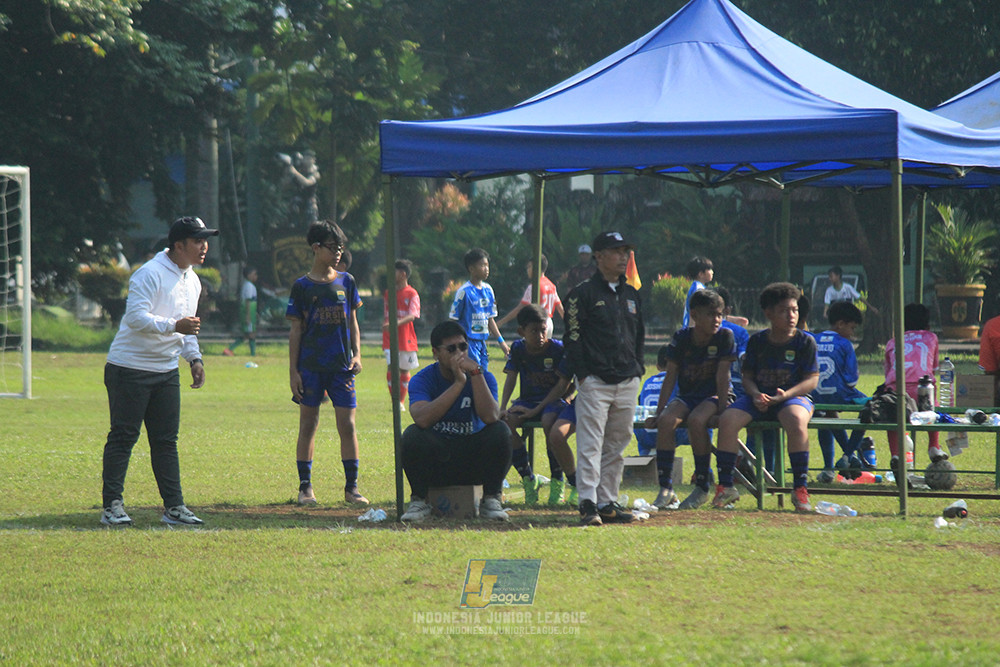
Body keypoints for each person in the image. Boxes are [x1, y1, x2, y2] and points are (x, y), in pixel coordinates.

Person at [100, 216, 219, 527]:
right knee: (124, 437)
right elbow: (136, 318)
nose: (204, 247)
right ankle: (112, 506)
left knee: (166, 441)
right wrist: (173, 326)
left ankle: (174, 507)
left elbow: (188, 326)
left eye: (205, 240)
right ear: (178, 245)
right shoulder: (149, 273)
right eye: (197, 241)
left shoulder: (192, 280)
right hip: (130, 367)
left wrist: (194, 359)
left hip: (165, 371)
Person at [713, 282, 819, 512]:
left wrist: (785, 395)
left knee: (795, 420)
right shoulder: (758, 341)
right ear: (768, 313)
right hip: (759, 398)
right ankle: (726, 486)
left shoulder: (805, 341)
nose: (791, 315)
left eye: (795, 310)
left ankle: (800, 488)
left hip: (793, 398)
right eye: (784, 310)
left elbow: (811, 380)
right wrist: (755, 394)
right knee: (728, 419)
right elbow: (747, 376)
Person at [564, 231, 645, 526]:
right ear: (599, 256)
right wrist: (583, 376)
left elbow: (639, 336)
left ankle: (607, 502)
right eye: (616, 251)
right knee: (590, 443)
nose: (623, 257)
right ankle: (587, 503)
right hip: (594, 381)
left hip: (627, 380)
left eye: (626, 251)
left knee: (617, 443)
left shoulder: (632, 294)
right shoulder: (581, 294)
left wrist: (637, 369)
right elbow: (572, 339)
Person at [287, 219, 368, 506]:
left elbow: (353, 321)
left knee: (347, 425)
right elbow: (296, 331)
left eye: (340, 248)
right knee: (308, 424)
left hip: (341, 368)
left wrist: (357, 354)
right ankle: (305, 487)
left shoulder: (347, 281)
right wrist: (294, 371)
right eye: (332, 247)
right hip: (310, 367)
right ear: (315, 248)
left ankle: (352, 488)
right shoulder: (302, 287)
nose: (337, 253)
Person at [399, 320, 513, 522]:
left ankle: (491, 499)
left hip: (473, 459)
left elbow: (490, 417)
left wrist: (475, 374)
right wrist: (459, 383)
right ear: (436, 353)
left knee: (501, 431)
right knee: (412, 435)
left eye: (463, 347)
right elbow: (422, 419)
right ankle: (419, 500)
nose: (459, 353)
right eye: (451, 349)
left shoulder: (482, 376)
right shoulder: (423, 379)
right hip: (440, 459)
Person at [648, 289, 736, 510]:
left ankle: (702, 486)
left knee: (697, 421)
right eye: (711, 314)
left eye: (719, 314)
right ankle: (666, 488)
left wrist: (723, 410)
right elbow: (670, 377)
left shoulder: (724, 337)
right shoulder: (682, 338)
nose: (717, 320)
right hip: (688, 396)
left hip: (715, 395)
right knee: (667, 421)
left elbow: (723, 376)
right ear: (694, 315)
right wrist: (659, 412)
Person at [499, 305, 574, 506]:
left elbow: (567, 383)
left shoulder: (558, 349)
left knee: (549, 421)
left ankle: (557, 482)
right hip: (527, 402)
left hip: (552, 401)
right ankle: (528, 479)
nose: (541, 336)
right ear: (521, 332)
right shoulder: (517, 348)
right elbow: (511, 378)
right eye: (534, 331)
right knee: (506, 424)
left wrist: (537, 409)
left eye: (543, 330)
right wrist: (503, 407)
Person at [811, 302, 871, 482]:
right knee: (870, 407)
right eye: (852, 328)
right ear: (840, 324)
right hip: (839, 394)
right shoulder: (844, 344)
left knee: (827, 415)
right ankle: (849, 454)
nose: (852, 333)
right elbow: (852, 381)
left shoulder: (814, 339)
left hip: (813, 395)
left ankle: (829, 468)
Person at [884, 303, 944, 468]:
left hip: (896, 387)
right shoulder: (931, 337)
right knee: (932, 409)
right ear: (927, 324)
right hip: (922, 387)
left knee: (893, 416)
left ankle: (895, 454)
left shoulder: (892, 342)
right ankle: (934, 446)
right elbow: (934, 369)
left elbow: (888, 373)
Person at [448, 248, 509, 370]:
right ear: (471, 269)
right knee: (474, 376)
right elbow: (453, 320)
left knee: (483, 375)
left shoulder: (488, 290)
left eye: (487, 265)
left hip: (482, 343)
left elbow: (490, 319)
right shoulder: (464, 292)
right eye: (482, 265)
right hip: (468, 343)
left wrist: (502, 342)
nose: (486, 269)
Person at [382, 259, 421, 411]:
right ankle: (394, 400)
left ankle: (401, 401)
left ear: (403, 274)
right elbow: (386, 313)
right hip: (390, 337)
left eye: (395, 272)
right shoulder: (388, 293)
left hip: (406, 337)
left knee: (404, 369)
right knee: (391, 367)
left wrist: (394, 324)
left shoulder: (412, 294)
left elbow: (412, 315)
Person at [497, 254, 564, 338]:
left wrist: (501, 322)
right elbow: (560, 308)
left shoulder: (534, 287)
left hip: (537, 324)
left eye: (529, 267)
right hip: (549, 323)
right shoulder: (551, 286)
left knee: (531, 350)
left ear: (536, 267)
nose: (527, 270)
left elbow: (520, 308)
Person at [223, 266, 258, 357]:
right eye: (254, 274)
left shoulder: (248, 285)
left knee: (247, 334)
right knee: (250, 334)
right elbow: (248, 302)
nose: (256, 276)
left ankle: (230, 349)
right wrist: (248, 316)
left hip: (250, 313)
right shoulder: (249, 286)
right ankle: (252, 354)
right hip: (248, 313)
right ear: (249, 275)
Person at [281, 149, 320, 228]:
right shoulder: (298, 170)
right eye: (305, 158)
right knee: (294, 205)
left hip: (310, 198)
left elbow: (307, 182)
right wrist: (288, 172)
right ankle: (293, 226)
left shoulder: (315, 173)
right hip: (298, 198)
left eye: (309, 158)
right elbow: (283, 185)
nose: (306, 160)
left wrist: (295, 172)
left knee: (311, 211)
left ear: (313, 160)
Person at [682, 256, 714, 328]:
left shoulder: (699, 287)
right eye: (709, 269)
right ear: (700, 274)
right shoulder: (698, 289)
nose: (712, 272)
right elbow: (694, 314)